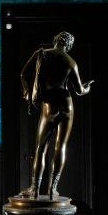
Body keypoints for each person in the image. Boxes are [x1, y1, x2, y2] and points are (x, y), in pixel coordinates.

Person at [19, 31, 93, 199]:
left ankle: (35, 189)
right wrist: (88, 87)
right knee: (61, 146)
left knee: (41, 148)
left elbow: (23, 74)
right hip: (67, 105)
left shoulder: (41, 55)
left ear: (55, 40)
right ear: (69, 45)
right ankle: (53, 189)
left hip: (49, 106)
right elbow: (80, 90)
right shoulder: (71, 62)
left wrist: (28, 95)